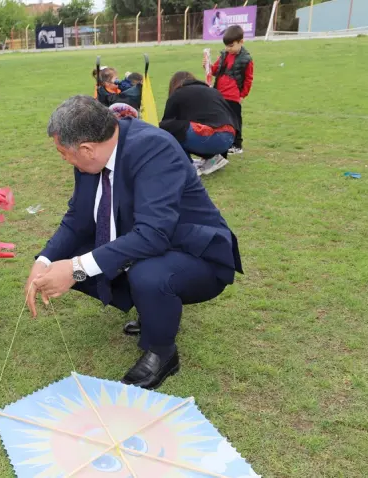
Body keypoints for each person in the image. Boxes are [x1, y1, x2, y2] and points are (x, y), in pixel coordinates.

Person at [25, 96, 242, 389]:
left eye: (64, 153)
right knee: (78, 257)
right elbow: (78, 218)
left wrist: (75, 269)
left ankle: (163, 352)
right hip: (151, 241)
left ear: (87, 148)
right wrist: (45, 261)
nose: (64, 159)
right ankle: (151, 310)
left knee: (147, 275)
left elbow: (153, 234)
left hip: (197, 253)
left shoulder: (155, 149)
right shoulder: (93, 157)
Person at [160, 71, 239, 176]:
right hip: (229, 138)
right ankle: (213, 159)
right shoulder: (214, 92)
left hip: (208, 137)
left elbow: (166, 124)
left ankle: (188, 165)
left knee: (168, 127)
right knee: (187, 127)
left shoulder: (178, 93)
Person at [205, 24, 254, 155]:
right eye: (226, 45)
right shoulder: (224, 55)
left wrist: (242, 95)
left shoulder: (246, 59)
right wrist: (208, 67)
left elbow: (248, 79)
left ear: (241, 42)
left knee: (235, 121)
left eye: (231, 45)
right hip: (220, 95)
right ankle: (223, 142)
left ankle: (237, 144)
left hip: (234, 97)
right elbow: (215, 70)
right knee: (222, 120)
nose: (228, 48)